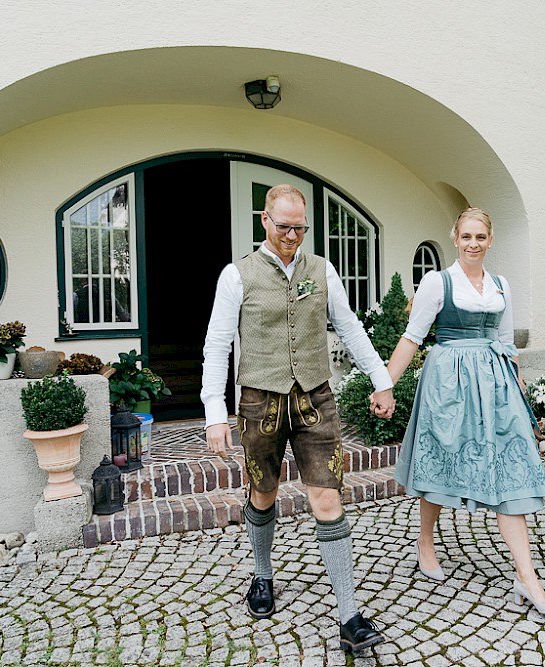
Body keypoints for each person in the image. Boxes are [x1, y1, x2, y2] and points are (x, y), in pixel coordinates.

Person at [201, 184, 395, 653]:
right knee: (262, 493)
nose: (291, 235)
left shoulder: (322, 270)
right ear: (264, 220)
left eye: (299, 228)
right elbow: (218, 343)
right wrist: (214, 411)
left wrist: (381, 378)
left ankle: (349, 616)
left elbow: (349, 326)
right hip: (259, 402)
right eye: (283, 226)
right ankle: (263, 577)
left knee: (327, 500)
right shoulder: (237, 275)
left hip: (315, 399)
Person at [381, 207, 545, 619]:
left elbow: (506, 341)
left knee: (512, 471)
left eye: (480, 236)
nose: (473, 243)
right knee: (442, 462)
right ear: (454, 237)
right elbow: (412, 337)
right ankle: (425, 542)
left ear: (490, 239)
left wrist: (518, 391)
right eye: (466, 236)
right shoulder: (438, 282)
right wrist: (385, 383)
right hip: (448, 381)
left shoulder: (501, 285)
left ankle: (527, 578)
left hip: (496, 386)